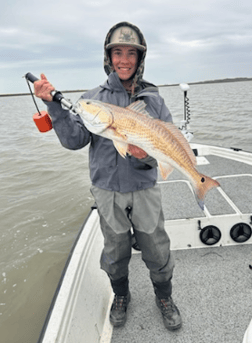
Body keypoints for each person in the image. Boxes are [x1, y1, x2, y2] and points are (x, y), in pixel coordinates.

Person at [34, 21, 182, 331]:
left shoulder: (153, 99)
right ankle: (121, 295)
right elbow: (74, 140)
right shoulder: (92, 98)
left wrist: (148, 156)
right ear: (108, 57)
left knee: (156, 247)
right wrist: (53, 105)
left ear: (140, 58)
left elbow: (167, 145)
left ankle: (164, 296)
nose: (124, 60)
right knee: (115, 250)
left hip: (143, 188)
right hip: (106, 190)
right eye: (117, 53)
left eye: (131, 53)